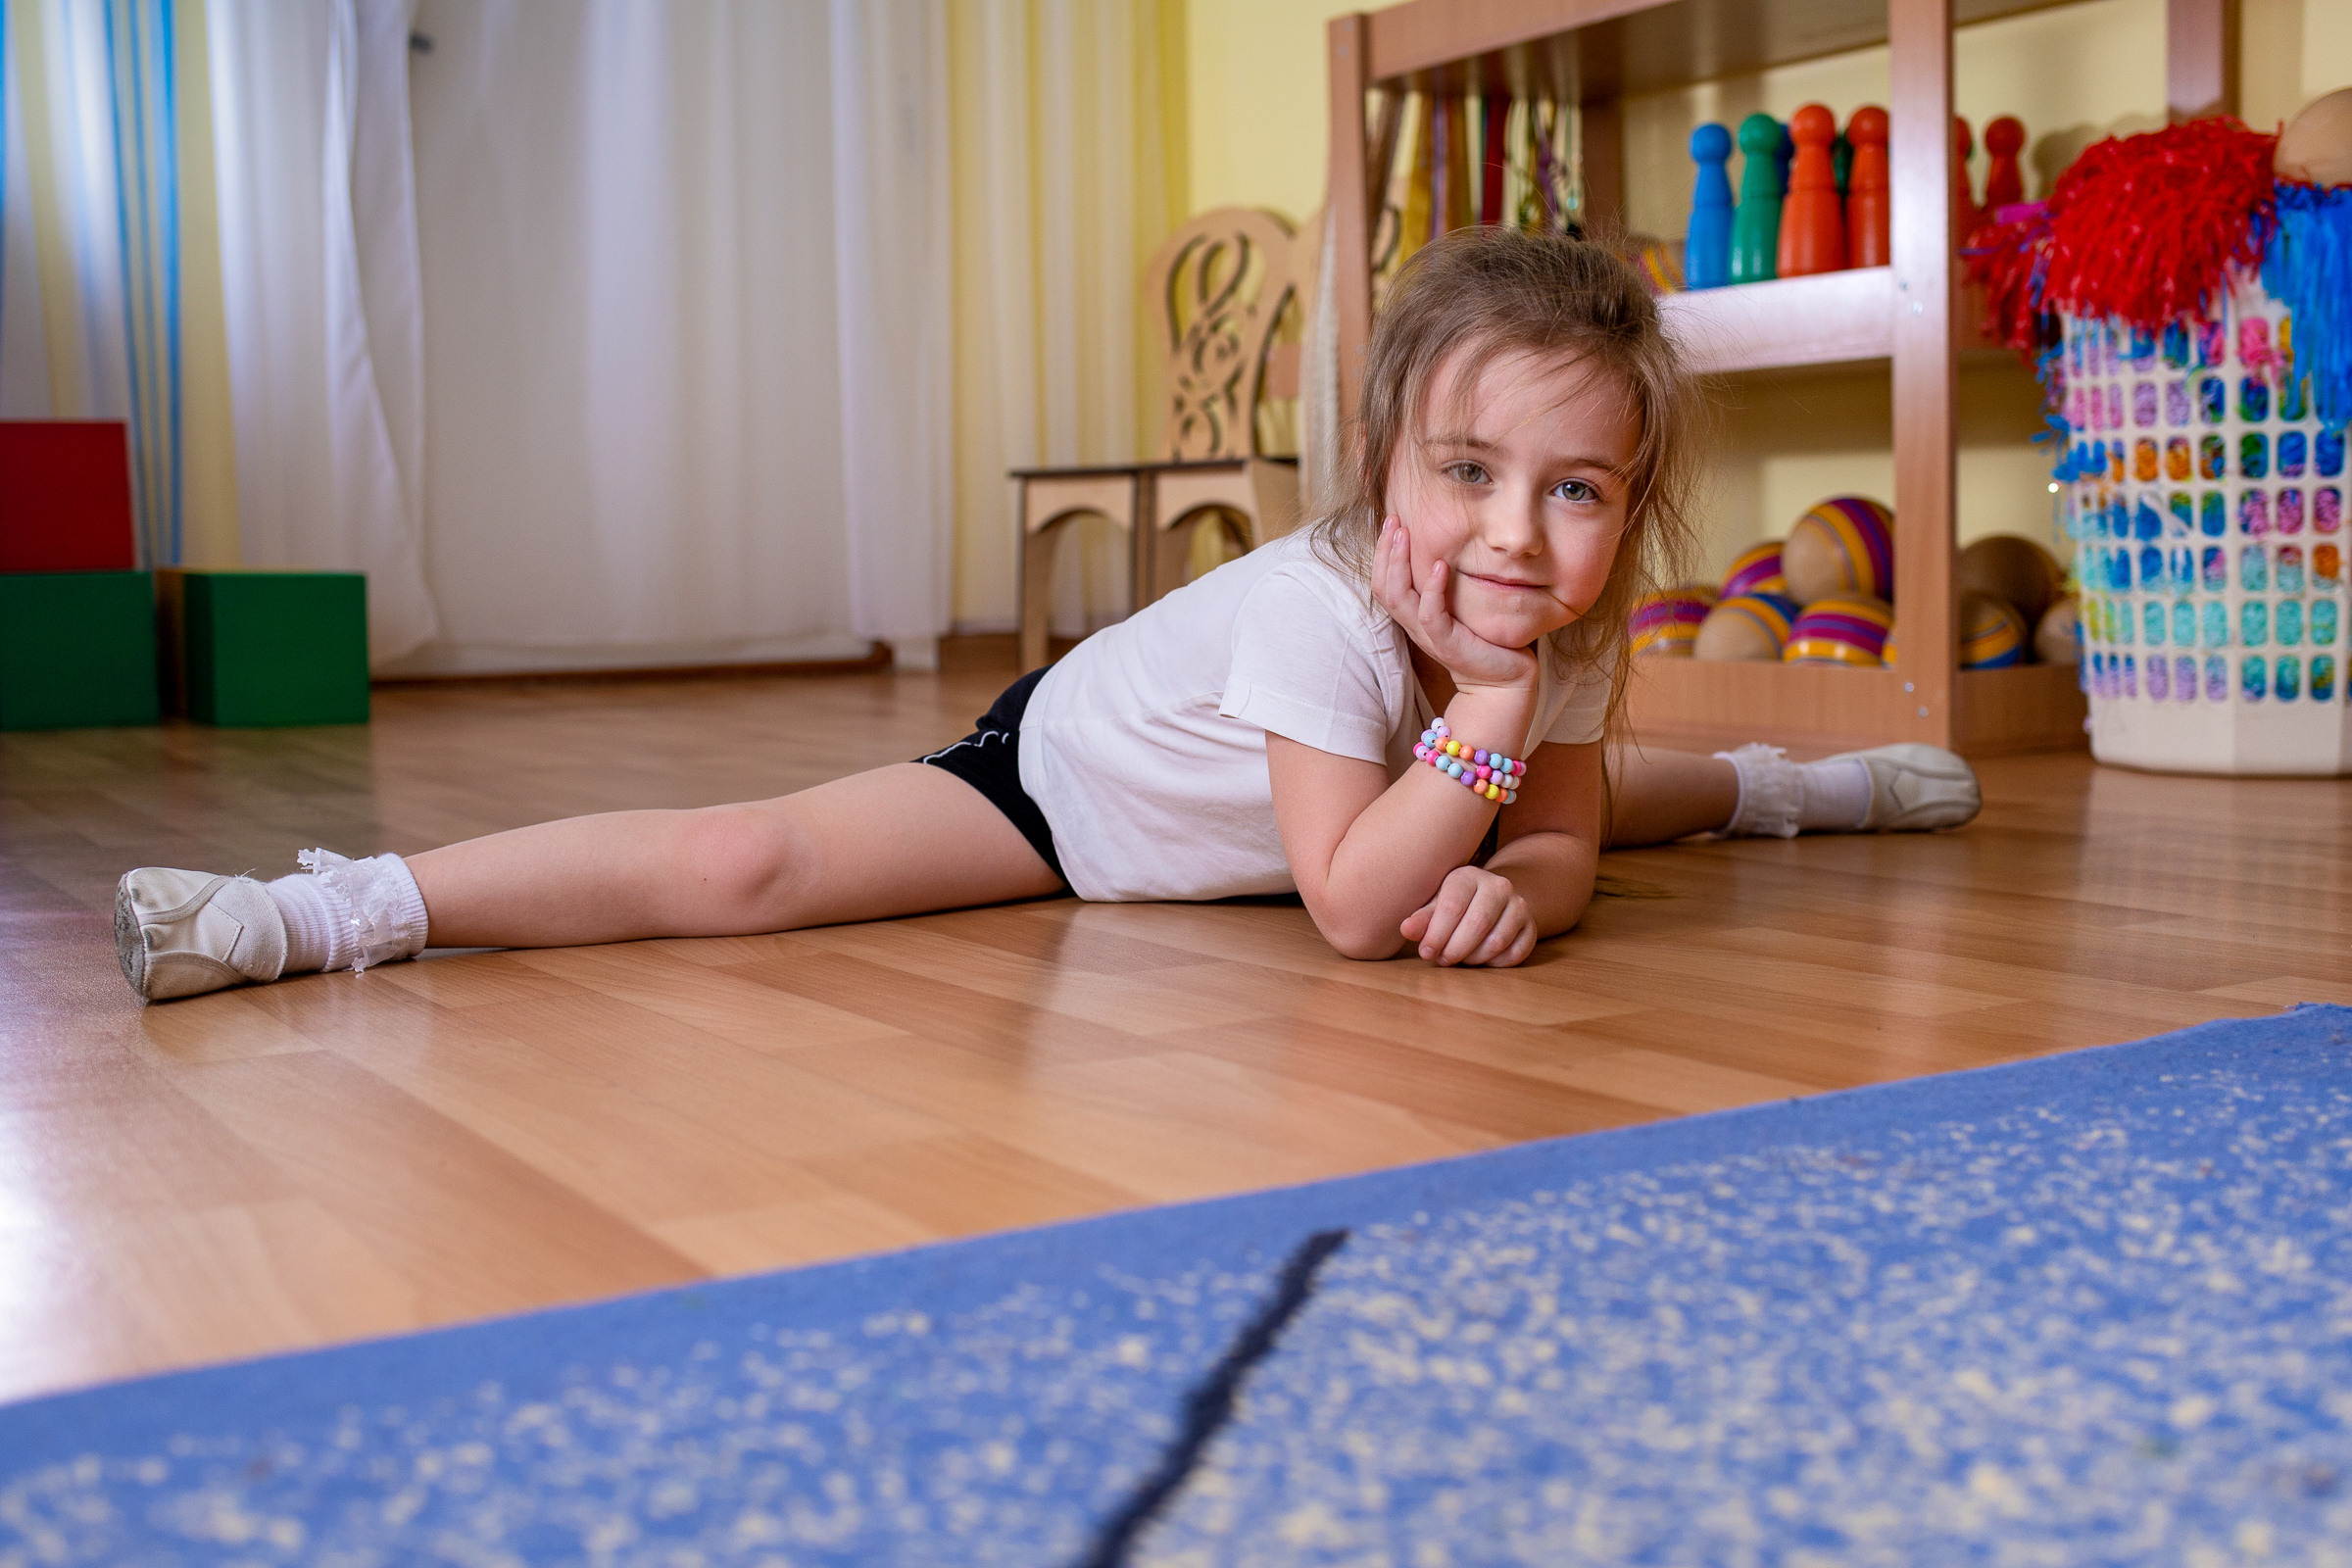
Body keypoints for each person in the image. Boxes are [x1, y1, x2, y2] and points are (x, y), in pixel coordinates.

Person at [115, 228, 1978, 1003]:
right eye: (1469, 474)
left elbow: (1554, 838)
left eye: (1577, 495)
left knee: (1619, 803)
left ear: (1633, 510)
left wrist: (1526, 882)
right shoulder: (1331, 619)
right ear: (1379, 464)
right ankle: (320, 910)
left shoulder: (1559, 642)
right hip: (1076, 793)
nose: (1516, 535)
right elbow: (1348, 909)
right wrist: (1487, 725)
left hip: (1334, 812)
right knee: (743, 859)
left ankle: (1799, 789)